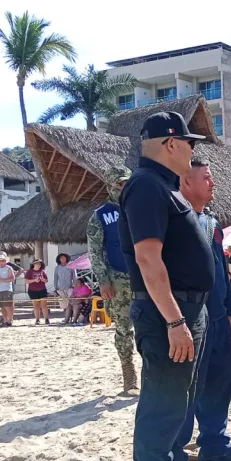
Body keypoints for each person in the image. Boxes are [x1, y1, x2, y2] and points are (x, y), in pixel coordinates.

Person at [118, 111, 220, 461]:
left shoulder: (164, 187)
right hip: (169, 313)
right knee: (162, 407)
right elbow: (147, 258)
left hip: (185, 310)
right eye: (190, 143)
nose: (194, 151)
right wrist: (175, 321)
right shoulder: (145, 186)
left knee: (179, 404)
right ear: (171, 143)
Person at [171, 158, 231, 461]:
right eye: (206, 177)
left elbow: (222, 270)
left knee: (221, 381)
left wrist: (230, 310)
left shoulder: (213, 223)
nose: (212, 182)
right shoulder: (175, 221)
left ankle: (215, 443)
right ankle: (176, 456)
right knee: (188, 388)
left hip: (218, 316)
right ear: (186, 182)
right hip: (191, 316)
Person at [88, 166, 138, 394]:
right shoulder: (99, 215)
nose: (124, 187)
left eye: (127, 183)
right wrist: (103, 281)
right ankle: (129, 375)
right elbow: (94, 251)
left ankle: (153, 374)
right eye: (120, 184)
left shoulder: (142, 209)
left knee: (151, 328)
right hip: (117, 280)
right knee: (124, 329)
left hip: (145, 277)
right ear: (110, 185)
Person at [0, 253, 16, 327]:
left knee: (7, 306)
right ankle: (5, 320)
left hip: (7, 289)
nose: (1, 262)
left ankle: (9, 320)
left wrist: (2, 280)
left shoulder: (9, 268)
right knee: (2, 306)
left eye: (2, 260)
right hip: (0, 290)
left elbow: (12, 278)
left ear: (5, 261)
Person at [24, 259, 50, 325]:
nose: (38, 265)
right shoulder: (29, 272)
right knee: (36, 305)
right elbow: (26, 281)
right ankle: (37, 319)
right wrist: (34, 280)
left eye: (39, 264)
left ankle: (46, 319)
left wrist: (43, 280)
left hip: (42, 289)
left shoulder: (43, 271)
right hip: (33, 290)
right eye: (37, 263)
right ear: (33, 264)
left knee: (44, 305)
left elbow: (46, 280)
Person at [55, 253, 76, 323]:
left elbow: (74, 277)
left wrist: (74, 286)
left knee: (71, 303)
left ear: (66, 258)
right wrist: (56, 288)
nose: (62, 259)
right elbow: (55, 278)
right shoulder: (57, 268)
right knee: (63, 304)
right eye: (61, 258)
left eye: (64, 257)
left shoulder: (71, 266)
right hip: (60, 288)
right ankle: (66, 317)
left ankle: (72, 317)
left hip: (70, 287)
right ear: (59, 259)